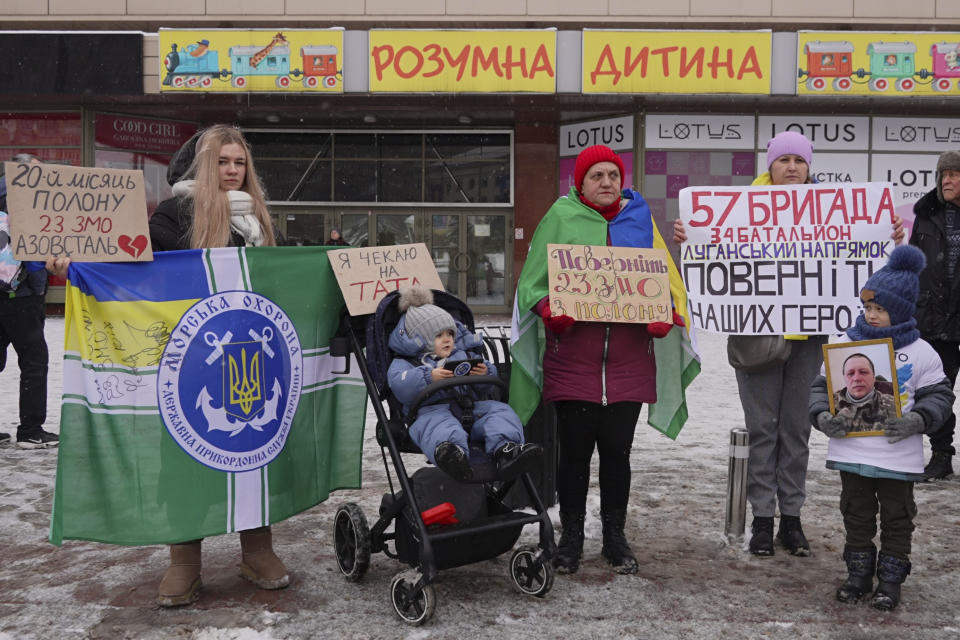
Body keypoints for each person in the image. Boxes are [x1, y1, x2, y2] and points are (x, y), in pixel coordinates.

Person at [674, 131, 905, 557]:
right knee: (763, 430)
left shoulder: (835, 212)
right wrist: (694, 238)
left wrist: (888, 239)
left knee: (797, 429)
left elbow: (868, 263)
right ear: (771, 165)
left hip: (810, 339)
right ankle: (763, 519)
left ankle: (792, 520)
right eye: (785, 160)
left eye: (800, 160)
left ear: (809, 166)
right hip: (757, 336)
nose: (793, 168)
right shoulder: (739, 211)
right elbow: (713, 256)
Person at [515, 144, 684, 575]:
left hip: (628, 362)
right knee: (572, 455)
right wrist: (550, 309)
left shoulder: (641, 219)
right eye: (597, 176)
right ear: (581, 182)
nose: (607, 183)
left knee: (617, 454)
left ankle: (614, 536)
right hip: (574, 360)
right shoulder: (560, 216)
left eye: (613, 175)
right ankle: (571, 536)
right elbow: (532, 281)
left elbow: (664, 277)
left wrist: (664, 311)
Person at [148, 124, 287, 607]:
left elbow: (288, 279)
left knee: (254, 452)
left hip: (254, 361)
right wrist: (82, 264)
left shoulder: (261, 220)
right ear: (203, 167)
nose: (232, 171)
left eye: (239, 162)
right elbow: (141, 273)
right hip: (191, 364)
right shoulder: (172, 215)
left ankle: (257, 549)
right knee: (186, 459)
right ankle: (184, 561)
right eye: (222, 162)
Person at [809, 245, 954, 611]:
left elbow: (939, 396)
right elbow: (819, 389)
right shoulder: (844, 343)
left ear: (902, 310)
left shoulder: (922, 352)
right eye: (868, 308)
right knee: (855, 514)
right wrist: (823, 417)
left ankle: (890, 579)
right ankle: (858, 574)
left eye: (880, 309)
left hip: (898, 458)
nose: (872, 315)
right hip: (851, 453)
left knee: (898, 517)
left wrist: (918, 420)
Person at [387, 285, 540, 482]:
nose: (447, 340)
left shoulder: (462, 354)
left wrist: (485, 373)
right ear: (421, 339)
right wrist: (428, 377)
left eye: (450, 334)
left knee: (499, 411)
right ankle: (452, 453)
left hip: (470, 408)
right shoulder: (405, 362)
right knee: (438, 426)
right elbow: (401, 386)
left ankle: (506, 450)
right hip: (431, 412)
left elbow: (483, 386)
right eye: (438, 335)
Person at [0, 153, 59, 449]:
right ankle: (31, 430)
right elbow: (35, 258)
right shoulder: (28, 202)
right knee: (35, 362)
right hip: (20, 296)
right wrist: (38, 289)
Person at [909, 150, 960, 480]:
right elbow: (911, 263)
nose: (947, 179)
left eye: (955, 173)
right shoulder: (926, 215)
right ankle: (941, 455)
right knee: (937, 391)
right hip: (933, 319)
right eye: (944, 174)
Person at [831, 353, 898, 433]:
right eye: (850, 373)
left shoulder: (894, 403)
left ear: (874, 377)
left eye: (863, 372)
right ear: (844, 379)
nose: (856, 378)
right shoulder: (830, 403)